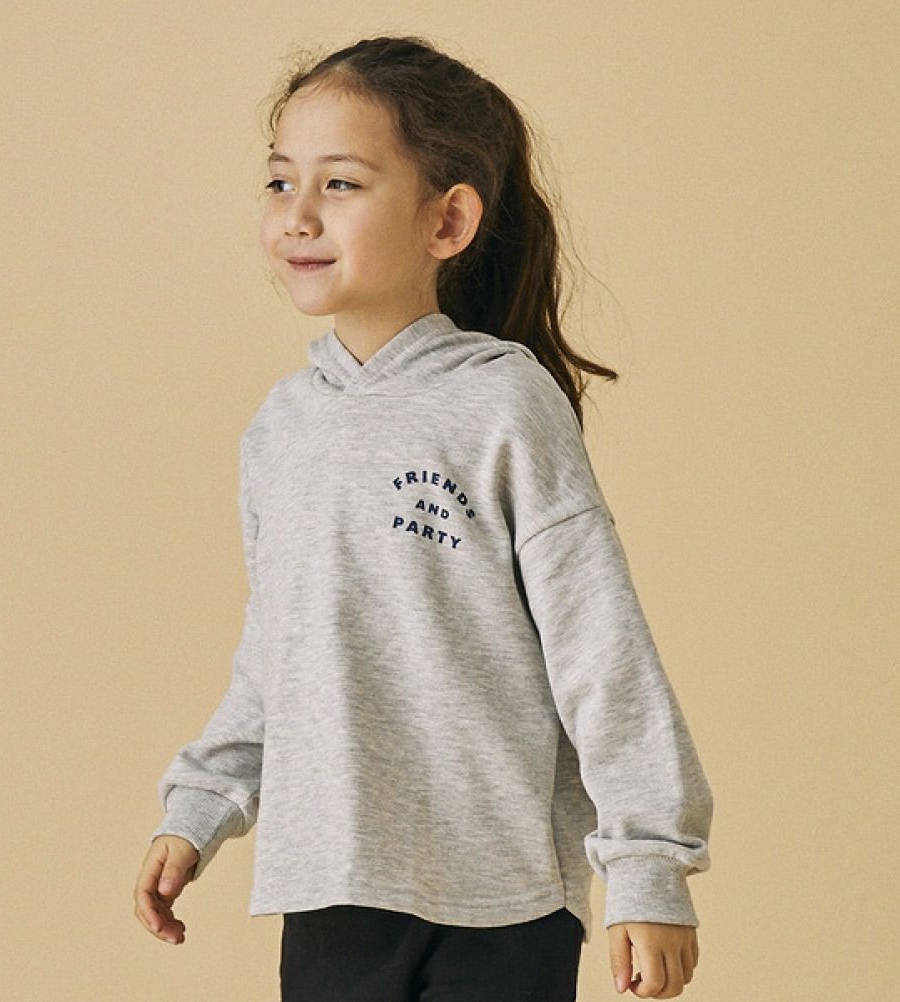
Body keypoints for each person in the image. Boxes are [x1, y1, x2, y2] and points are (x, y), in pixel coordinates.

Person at [133, 34, 713, 1002]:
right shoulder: (280, 430)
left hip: (503, 896)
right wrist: (200, 803)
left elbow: (598, 646)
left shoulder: (505, 404)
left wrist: (648, 862)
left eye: (341, 184)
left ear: (448, 221)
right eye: (280, 182)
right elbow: (276, 653)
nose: (299, 215)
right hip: (331, 885)